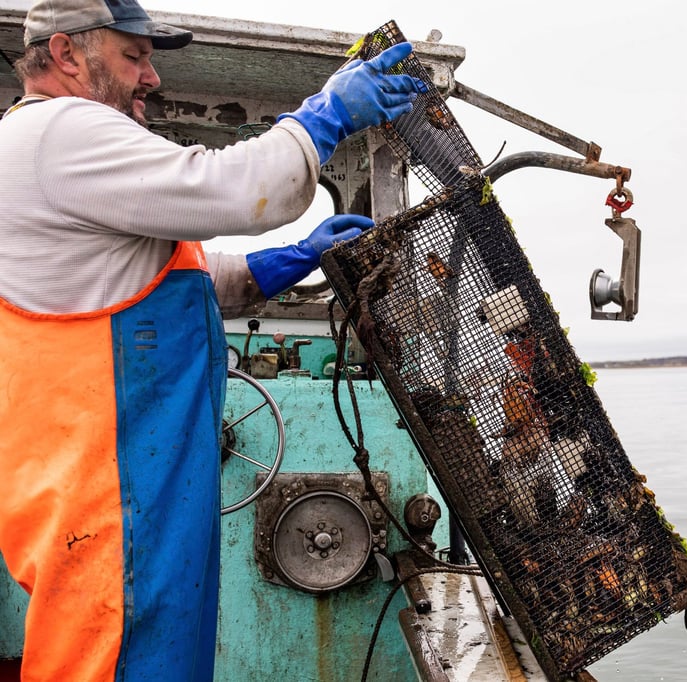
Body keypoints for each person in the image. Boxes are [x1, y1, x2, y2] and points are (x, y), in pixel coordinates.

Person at [0, 1, 421, 679]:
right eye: (133, 56)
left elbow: (163, 279)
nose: (152, 79)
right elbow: (238, 189)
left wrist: (288, 260)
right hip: (111, 499)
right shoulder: (59, 131)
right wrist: (326, 114)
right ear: (68, 54)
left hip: (118, 491)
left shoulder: (48, 152)